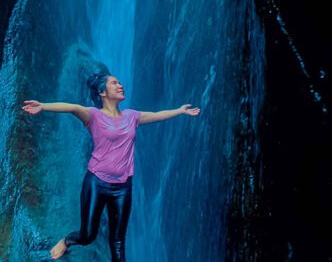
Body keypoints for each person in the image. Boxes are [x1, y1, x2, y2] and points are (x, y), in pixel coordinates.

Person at [21, 71, 201, 261]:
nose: (120, 85)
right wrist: (43, 106)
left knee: (118, 242)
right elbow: (71, 107)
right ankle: (66, 241)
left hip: (123, 187)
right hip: (96, 183)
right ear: (102, 92)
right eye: (114, 83)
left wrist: (180, 111)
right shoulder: (93, 116)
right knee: (87, 235)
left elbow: (157, 115)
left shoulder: (132, 116)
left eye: (120, 83)